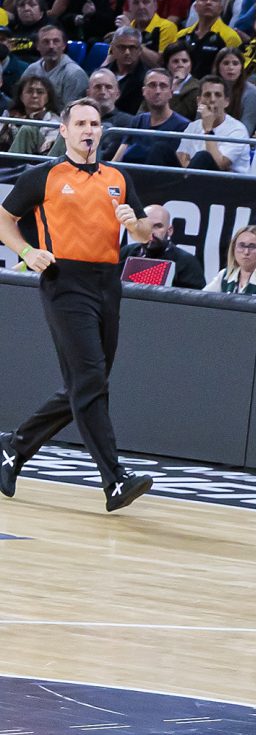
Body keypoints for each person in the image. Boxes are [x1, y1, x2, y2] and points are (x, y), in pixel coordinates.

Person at [0, 98, 155, 509]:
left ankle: (14, 447)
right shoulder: (44, 176)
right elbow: (3, 218)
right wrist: (27, 252)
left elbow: (143, 236)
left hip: (108, 282)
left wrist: (134, 224)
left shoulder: (118, 178)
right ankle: (115, 480)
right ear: (65, 131)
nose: (89, 130)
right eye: (81, 123)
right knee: (89, 379)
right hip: (64, 281)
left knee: (88, 382)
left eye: (96, 123)